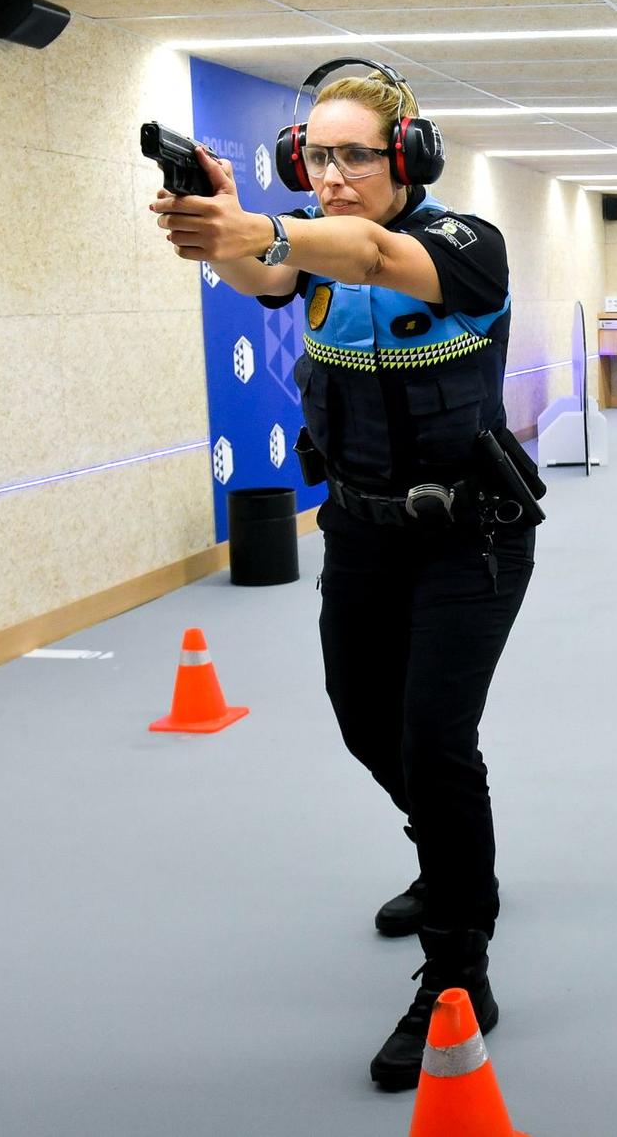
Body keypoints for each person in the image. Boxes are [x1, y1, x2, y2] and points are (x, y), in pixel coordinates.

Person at [149, 59, 541, 1091]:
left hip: (473, 534)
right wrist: (226, 227)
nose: (329, 175)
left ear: (406, 156)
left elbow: (368, 252)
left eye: (352, 155)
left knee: (431, 735)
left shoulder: (465, 245)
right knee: (365, 719)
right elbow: (270, 274)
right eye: (313, 155)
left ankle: (458, 968)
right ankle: (447, 856)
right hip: (362, 535)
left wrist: (263, 230)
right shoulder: (306, 240)